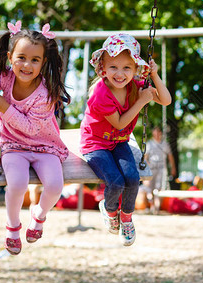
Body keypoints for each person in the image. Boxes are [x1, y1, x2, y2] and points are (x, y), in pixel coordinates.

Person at [0, 21, 70, 255]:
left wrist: (5, 108)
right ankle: (13, 227)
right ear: (10, 56)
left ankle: (39, 215)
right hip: (13, 145)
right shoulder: (3, 78)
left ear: (43, 63)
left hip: (45, 146)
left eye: (35, 60)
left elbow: (32, 128)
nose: (27, 65)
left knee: (55, 186)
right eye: (21, 57)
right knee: (16, 184)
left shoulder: (46, 93)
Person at [80, 33, 171, 246]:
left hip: (119, 142)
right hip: (95, 144)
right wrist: (140, 102)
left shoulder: (135, 86)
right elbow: (119, 123)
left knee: (132, 177)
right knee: (116, 181)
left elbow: (165, 100)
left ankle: (127, 217)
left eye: (127, 68)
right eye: (113, 67)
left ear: (136, 69)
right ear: (103, 68)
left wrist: (154, 76)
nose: (120, 74)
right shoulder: (100, 94)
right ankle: (110, 209)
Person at [145, 126, 177, 213]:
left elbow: (170, 156)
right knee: (150, 188)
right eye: (156, 132)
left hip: (161, 168)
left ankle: (157, 207)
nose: (157, 134)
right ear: (153, 133)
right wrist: (146, 166)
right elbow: (145, 157)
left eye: (159, 132)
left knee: (158, 188)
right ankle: (152, 206)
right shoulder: (149, 144)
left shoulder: (165, 144)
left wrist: (173, 168)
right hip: (152, 168)